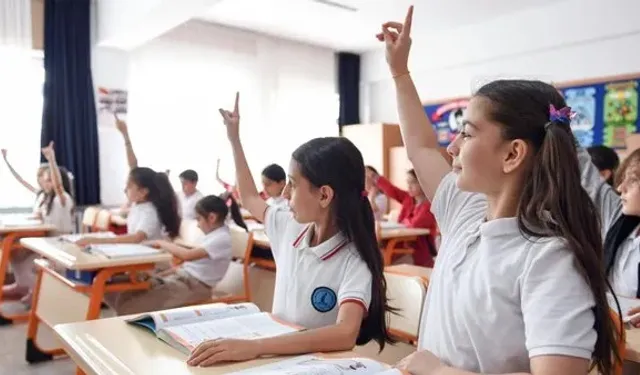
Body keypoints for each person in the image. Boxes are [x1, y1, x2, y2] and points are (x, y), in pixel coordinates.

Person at [379, 6, 619, 375]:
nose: (453, 147)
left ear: (512, 154)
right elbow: (421, 146)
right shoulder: (466, 211)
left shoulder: (549, 258)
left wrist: (439, 371)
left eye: (468, 133)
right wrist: (399, 72)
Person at [186, 93, 394, 367]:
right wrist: (234, 139)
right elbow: (249, 197)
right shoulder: (289, 226)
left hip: (315, 366)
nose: (284, 194)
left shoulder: (354, 259)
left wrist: (256, 347)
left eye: (293, 184)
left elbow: (344, 334)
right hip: (275, 358)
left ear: (324, 195)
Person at [105, 194, 246, 315]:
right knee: (123, 289)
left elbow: (187, 255)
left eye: (198, 219)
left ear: (212, 217)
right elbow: (189, 264)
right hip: (183, 278)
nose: (197, 224)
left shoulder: (221, 238)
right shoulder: (212, 235)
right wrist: (163, 274)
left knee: (131, 305)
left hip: (195, 287)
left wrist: (161, 243)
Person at [4, 142, 75, 303]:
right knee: (16, 255)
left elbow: (58, 186)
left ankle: (37, 293)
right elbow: (22, 181)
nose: (45, 183)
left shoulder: (62, 199)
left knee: (23, 259)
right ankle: (25, 286)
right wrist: (7, 162)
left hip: (59, 247)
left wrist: (51, 159)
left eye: (49, 180)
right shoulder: (46, 197)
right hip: (47, 243)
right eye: (44, 180)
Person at [76, 167, 181, 246]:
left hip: (150, 263)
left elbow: (137, 238)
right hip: (137, 255)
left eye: (129, 186)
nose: (125, 189)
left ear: (143, 191)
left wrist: (99, 241)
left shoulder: (149, 211)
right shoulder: (137, 206)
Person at [366, 167, 437, 266]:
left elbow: (415, 224)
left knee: (380, 257)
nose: (409, 186)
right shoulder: (408, 198)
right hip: (400, 247)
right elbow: (392, 190)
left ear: (423, 183)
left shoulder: (429, 205)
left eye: (412, 183)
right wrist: (374, 177)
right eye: (408, 183)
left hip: (417, 253)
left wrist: (404, 222)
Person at [1, 149, 48, 214]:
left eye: (41, 175)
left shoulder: (52, 196)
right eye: (38, 176)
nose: (39, 179)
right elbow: (20, 179)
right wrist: (6, 160)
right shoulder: (39, 192)